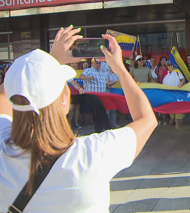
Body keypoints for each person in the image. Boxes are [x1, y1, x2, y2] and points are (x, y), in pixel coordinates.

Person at [0, 26, 157, 212]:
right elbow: (147, 119)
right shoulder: (92, 155)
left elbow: (4, 95)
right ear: (65, 99)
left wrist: (49, 62)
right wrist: (120, 69)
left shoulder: (3, 150)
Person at [79, 53, 111, 133]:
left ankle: (98, 130)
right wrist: (89, 78)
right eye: (97, 63)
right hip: (92, 95)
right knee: (102, 111)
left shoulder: (101, 72)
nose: (98, 64)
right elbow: (81, 77)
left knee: (98, 113)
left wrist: (108, 85)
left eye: (99, 63)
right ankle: (108, 129)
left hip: (101, 95)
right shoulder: (88, 70)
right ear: (92, 63)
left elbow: (104, 84)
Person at [163, 61, 186, 127]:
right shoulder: (165, 73)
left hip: (177, 92)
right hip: (169, 92)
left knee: (179, 106)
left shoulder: (177, 72)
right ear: (167, 66)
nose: (170, 66)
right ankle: (172, 119)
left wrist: (181, 83)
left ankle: (180, 121)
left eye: (171, 65)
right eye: (168, 65)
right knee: (171, 106)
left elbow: (183, 79)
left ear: (173, 65)